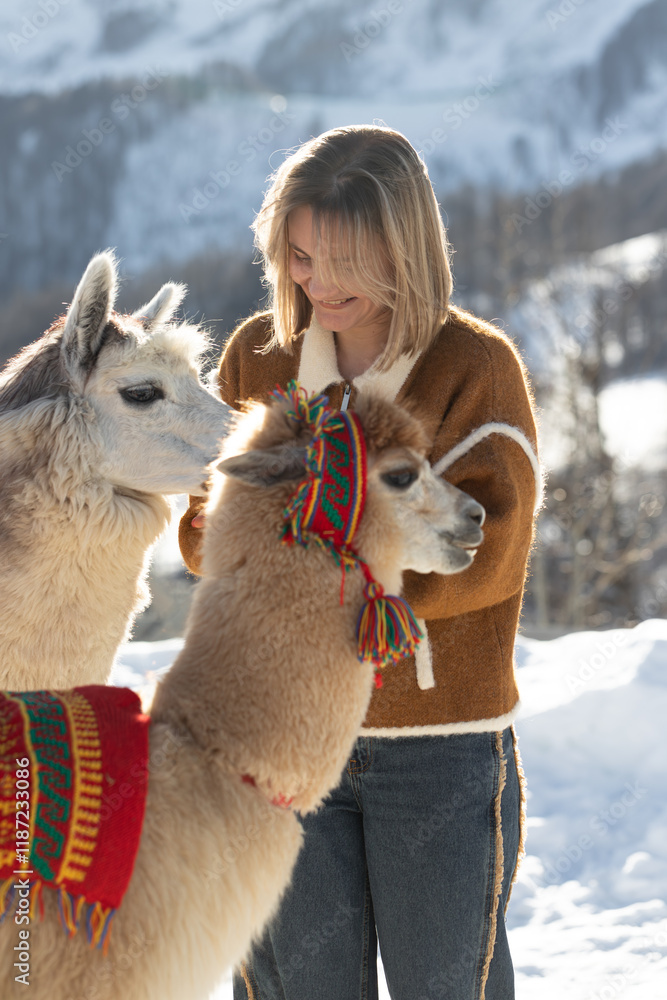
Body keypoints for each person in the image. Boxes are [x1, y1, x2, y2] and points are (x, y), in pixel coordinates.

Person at [179, 124, 540, 1000]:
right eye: (299, 255)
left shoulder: (472, 367)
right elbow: (200, 538)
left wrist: (302, 539)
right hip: (272, 742)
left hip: (434, 750)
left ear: (403, 246)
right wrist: (341, 536)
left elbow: (487, 559)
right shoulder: (257, 359)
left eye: (342, 259)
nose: (317, 282)